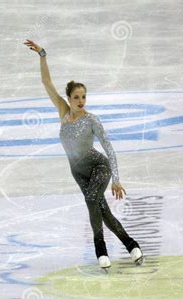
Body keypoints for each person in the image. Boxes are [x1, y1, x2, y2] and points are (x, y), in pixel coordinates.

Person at [24, 39, 143, 273]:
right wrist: (43, 55)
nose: (81, 101)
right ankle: (132, 245)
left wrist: (116, 178)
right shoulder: (63, 112)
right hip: (78, 173)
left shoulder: (92, 120)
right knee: (104, 211)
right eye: (76, 97)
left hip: (99, 167)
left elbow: (108, 147)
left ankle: (101, 251)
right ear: (69, 98)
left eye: (84, 97)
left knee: (91, 200)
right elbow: (46, 82)